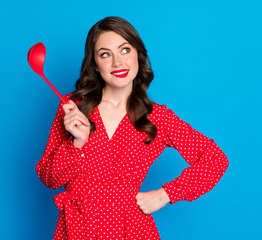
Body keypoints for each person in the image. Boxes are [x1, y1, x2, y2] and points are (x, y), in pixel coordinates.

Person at [36, 16, 229, 240]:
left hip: (131, 229)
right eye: (105, 54)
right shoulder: (73, 108)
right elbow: (48, 179)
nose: (117, 62)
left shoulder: (157, 117)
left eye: (125, 50)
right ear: (96, 65)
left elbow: (215, 160)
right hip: (79, 228)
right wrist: (76, 144)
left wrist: (165, 194)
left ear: (138, 54)